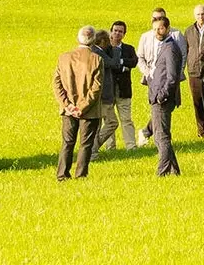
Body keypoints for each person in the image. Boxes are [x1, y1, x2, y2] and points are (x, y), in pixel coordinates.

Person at [52, 25, 105, 180]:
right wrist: (82, 107)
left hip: (68, 109)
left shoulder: (64, 58)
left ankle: (62, 173)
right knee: (85, 144)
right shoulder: (96, 59)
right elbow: (97, 87)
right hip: (89, 111)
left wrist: (67, 104)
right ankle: (80, 174)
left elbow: (56, 83)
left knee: (67, 142)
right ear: (93, 40)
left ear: (78, 38)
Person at [147, 13, 183, 175]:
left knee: (161, 137)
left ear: (168, 28)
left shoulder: (171, 48)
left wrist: (162, 95)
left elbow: (172, 77)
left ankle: (161, 172)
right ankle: (174, 171)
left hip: (163, 98)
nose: (157, 31)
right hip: (157, 95)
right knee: (161, 135)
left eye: (160, 28)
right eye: (154, 29)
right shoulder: (166, 46)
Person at [96, 20, 139, 151]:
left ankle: (131, 146)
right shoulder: (105, 49)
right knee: (109, 120)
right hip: (108, 90)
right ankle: (110, 146)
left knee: (126, 119)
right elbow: (110, 65)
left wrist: (121, 61)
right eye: (115, 31)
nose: (117, 34)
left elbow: (134, 61)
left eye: (120, 31)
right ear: (111, 32)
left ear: (124, 34)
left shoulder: (128, 49)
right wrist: (121, 66)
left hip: (123, 89)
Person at [185, 4, 204, 139]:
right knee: (197, 102)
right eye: (198, 14)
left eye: (203, 14)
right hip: (194, 71)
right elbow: (186, 50)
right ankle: (201, 131)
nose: (201, 17)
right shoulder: (189, 30)